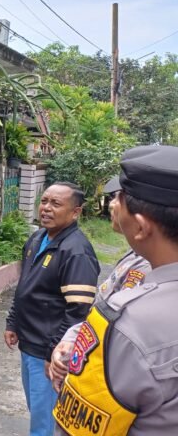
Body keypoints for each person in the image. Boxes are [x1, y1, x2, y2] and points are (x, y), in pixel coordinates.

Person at [53, 145, 178, 435]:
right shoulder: (136, 263)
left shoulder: (127, 322)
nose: (113, 205)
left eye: (120, 199)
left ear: (142, 227)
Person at [5, 182, 101, 436]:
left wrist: (54, 353)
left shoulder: (77, 251)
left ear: (75, 212)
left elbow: (78, 311)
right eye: (44, 201)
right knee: (37, 411)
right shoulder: (38, 238)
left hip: (47, 352)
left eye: (56, 204)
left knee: (45, 422)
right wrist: (13, 321)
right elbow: (25, 284)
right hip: (29, 344)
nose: (46, 208)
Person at [47, 176, 151, 392]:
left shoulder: (150, 268)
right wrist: (72, 340)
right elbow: (101, 312)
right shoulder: (134, 255)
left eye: (119, 198)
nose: (112, 204)